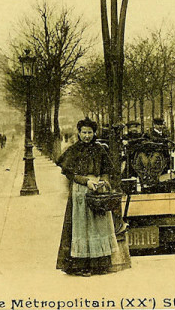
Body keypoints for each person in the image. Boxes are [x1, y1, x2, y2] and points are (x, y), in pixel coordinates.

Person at [55, 117, 130, 276]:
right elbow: (71, 173)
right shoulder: (74, 150)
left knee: (99, 226)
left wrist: (103, 182)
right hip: (80, 191)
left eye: (90, 132)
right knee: (82, 228)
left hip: (98, 192)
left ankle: (99, 264)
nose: (87, 136)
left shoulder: (100, 149)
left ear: (94, 133)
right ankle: (82, 266)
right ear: (79, 133)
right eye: (84, 132)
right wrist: (86, 181)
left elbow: (106, 170)